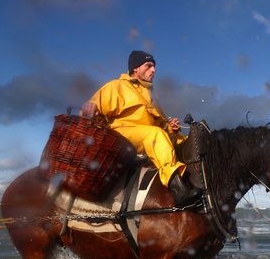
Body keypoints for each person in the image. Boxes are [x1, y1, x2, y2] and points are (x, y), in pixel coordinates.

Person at [81, 50, 200, 206]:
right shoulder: (116, 86)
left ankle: (197, 179)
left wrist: (171, 128)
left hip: (148, 137)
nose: (154, 70)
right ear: (135, 68)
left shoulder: (151, 96)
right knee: (154, 135)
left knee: (184, 140)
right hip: (121, 136)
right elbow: (92, 107)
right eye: (149, 66)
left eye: (154, 67)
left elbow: (161, 126)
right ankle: (177, 188)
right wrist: (90, 106)